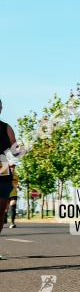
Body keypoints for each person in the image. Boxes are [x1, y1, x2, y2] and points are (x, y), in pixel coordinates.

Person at [0, 100, 17, 236]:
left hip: (2, 168)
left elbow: (16, 149)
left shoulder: (6, 127)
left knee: (0, 212)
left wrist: (24, 149)